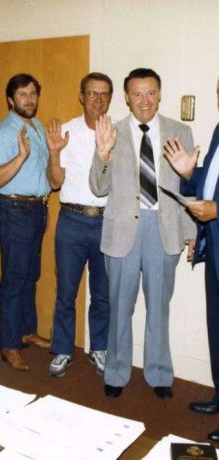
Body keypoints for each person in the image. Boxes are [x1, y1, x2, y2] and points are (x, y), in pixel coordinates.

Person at [89, 68, 196, 399]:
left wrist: (192, 232)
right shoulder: (113, 131)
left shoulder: (180, 131)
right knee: (119, 305)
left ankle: (159, 373)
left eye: (151, 93)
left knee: (159, 306)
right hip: (123, 230)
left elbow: (188, 186)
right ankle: (116, 373)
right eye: (137, 94)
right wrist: (103, 153)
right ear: (126, 97)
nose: (145, 101)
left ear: (160, 94)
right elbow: (98, 186)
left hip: (163, 229)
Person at [0, 73, 53, 371]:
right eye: (22, 94)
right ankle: (9, 344)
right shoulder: (3, 133)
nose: (29, 99)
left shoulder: (36, 126)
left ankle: (26, 331)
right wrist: (20, 157)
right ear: (11, 99)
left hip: (36, 209)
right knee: (14, 279)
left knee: (30, 274)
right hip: (13, 209)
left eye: (33, 93)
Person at [164, 78, 219, 441]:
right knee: (217, 330)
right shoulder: (218, 130)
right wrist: (188, 173)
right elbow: (210, 184)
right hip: (215, 247)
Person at [47, 72, 112, 378]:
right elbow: (55, 182)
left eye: (104, 94)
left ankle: (99, 348)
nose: (98, 100)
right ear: (81, 96)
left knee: (102, 293)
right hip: (72, 220)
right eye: (92, 94)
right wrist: (55, 151)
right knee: (66, 292)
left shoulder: (118, 133)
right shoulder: (68, 132)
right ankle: (62, 350)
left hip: (105, 222)